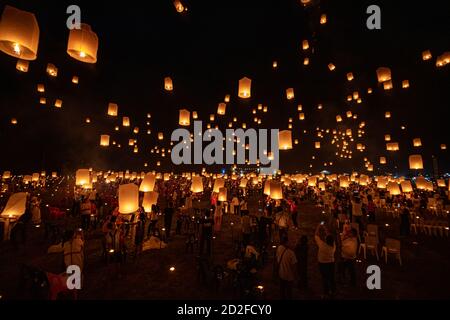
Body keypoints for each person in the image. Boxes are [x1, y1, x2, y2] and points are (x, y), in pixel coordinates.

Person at [315, 223, 336, 298]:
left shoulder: (322, 245)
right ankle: (333, 291)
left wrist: (319, 226)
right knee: (331, 277)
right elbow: (330, 236)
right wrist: (325, 228)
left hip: (323, 264)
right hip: (331, 263)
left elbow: (316, 235)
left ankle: (326, 293)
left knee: (325, 278)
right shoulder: (333, 246)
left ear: (326, 240)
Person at [276, 235, 297, 299]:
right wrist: (295, 275)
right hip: (289, 276)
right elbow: (294, 266)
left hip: (281, 273)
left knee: (282, 290)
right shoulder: (291, 253)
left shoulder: (279, 248)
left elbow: (277, 258)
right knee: (289, 292)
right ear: (287, 242)